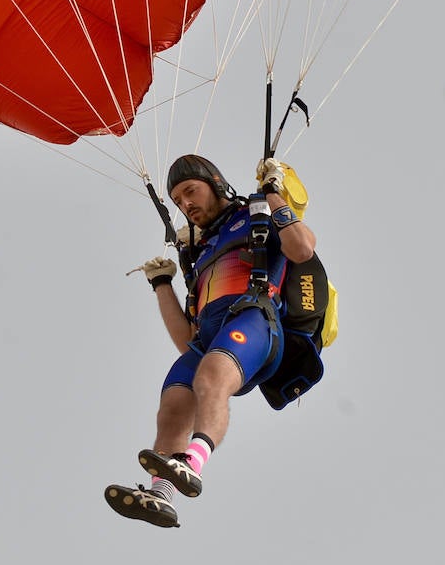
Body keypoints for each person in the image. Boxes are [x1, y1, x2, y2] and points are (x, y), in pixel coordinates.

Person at [104, 154, 318, 528]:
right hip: (209, 336)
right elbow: (188, 339)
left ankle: (193, 463)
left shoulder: (256, 213)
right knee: (172, 403)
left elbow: (302, 249)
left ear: (215, 184)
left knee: (210, 378)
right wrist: (161, 285)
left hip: (254, 320)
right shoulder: (198, 252)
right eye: (178, 200)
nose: (186, 204)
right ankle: (161, 494)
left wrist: (274, 196)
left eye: (191, 191)